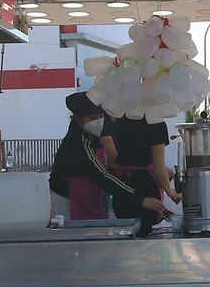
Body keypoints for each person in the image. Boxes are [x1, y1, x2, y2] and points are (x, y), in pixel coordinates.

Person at [48, 93, 166, 234]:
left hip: (89, 197)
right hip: (68, 200)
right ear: (79, 119)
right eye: (92, 118)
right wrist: (140, 200)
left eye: (100, 116)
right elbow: (101, 175)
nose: (98, 121)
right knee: (76, 237)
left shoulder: (95, 136)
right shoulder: (78, 144)